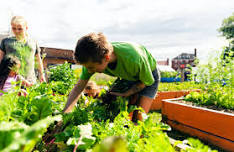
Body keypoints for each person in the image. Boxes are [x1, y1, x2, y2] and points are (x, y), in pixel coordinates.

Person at [63, 32, 160, 122]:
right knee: (112, 104)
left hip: (149, 76)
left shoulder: (133, 58)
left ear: (107, 58)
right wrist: (64, 115)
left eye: (91, 68)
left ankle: (140, 136)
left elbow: (145, 82)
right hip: (128, 76)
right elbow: (78, 88)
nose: (88, 71)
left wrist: (128, 93)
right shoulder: (92, 59)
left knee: (138, 118)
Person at [0, 16, 45, 84]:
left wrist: (42, 74)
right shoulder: (6, 42)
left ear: (26, 28)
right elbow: (0, 59)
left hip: (30, 80)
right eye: (14, 28)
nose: (16, 31)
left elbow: (38, 59)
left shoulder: (32, 42)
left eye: (20, 29)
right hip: (11, 81)